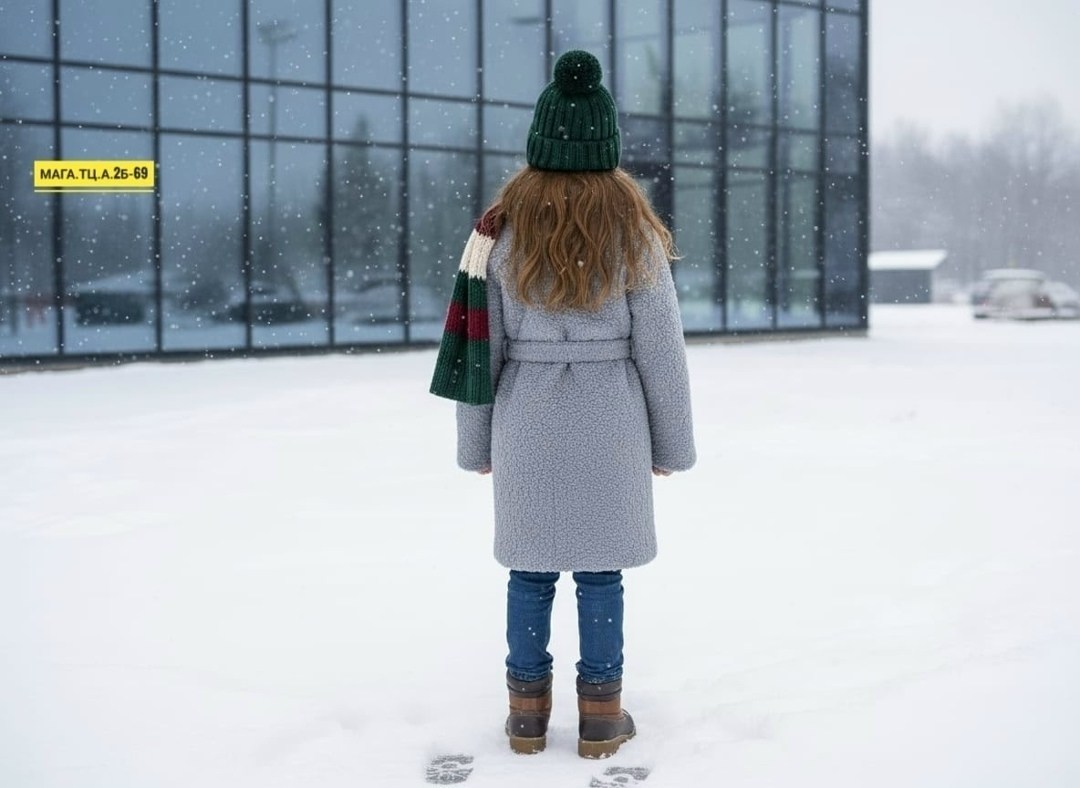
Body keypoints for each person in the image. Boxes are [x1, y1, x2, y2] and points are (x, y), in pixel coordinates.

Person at [429, 50, 696, 759]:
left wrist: (475, 444)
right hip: (612, 419)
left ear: (540, 144)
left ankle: (525, 714)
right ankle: (602, 716)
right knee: (601, 571)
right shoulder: (633, 232)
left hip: (527, 419)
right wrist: (671, 446)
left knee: (531, 569)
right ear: (606, 146)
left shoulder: (499, 233)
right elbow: (661, 348)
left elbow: (480, 349)